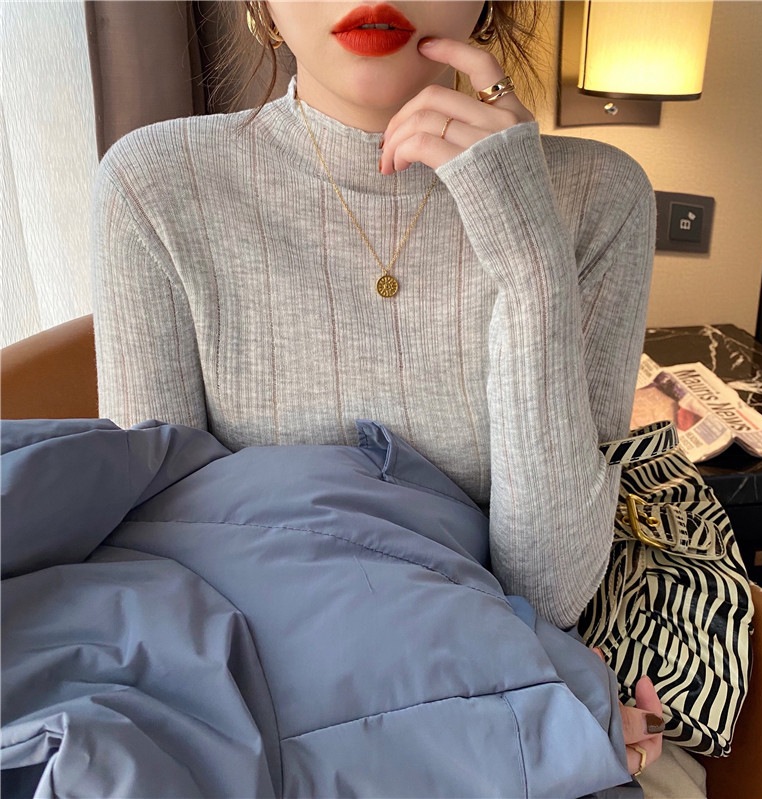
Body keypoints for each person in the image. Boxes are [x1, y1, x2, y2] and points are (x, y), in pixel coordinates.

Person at [91, 2, 707, 794]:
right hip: (267, 717)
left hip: (500, 703)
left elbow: (549, 590)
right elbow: (159, 563)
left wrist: (529, 265)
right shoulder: (154, 183)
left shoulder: (598, 193)